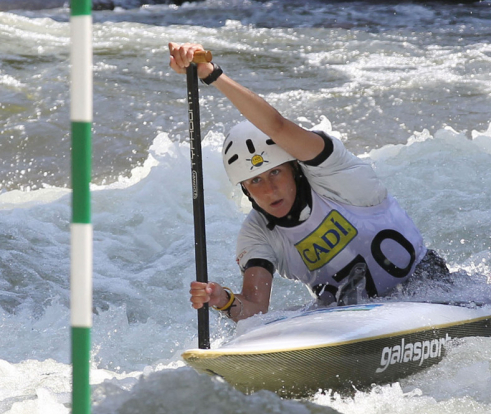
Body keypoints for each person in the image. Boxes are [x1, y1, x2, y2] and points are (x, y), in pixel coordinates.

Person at [168, 42, 450, 322]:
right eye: (255, 181)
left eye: (275, 173)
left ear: (294, 167)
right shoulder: (257, 234)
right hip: (346, 317)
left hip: (427, 287)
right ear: (245, 189)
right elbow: (254, 309)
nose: (269, 190)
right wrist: (223, 299)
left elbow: (277, 125)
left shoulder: (334, 173)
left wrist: (211, 74)